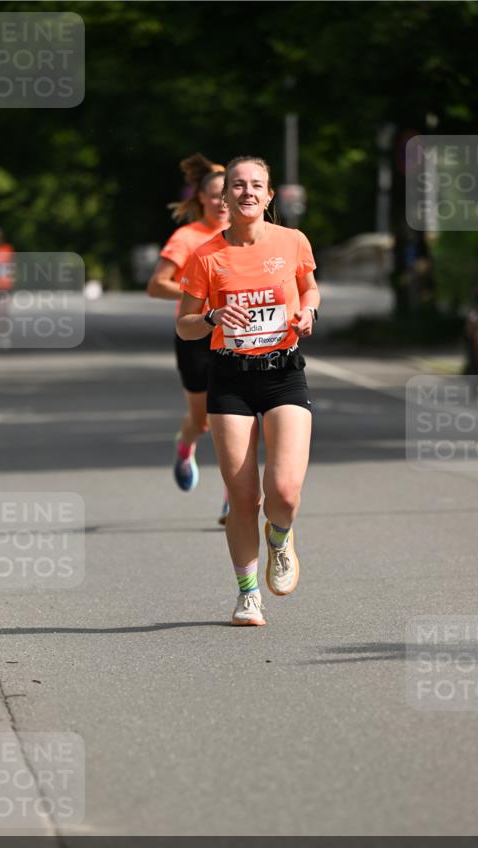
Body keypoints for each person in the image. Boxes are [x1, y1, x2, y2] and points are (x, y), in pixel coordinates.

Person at [176, 156, 320, 626]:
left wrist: (310, 312)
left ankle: (280, 538)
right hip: (230, 377)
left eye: (256, 185)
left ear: (270, 195)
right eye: (237, 186)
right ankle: (247, 593)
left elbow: (310, 289)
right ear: (224, 197)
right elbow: (185, 324)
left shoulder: (293, 241)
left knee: (283, 491)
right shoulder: (205, 256)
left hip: (283, 372)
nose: (246, 193)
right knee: (242, 498)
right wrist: (214, 317)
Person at [147, 154, 230, 523]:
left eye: (227, 193)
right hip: (196, 333)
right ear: (201, 199)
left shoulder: (250, 233)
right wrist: (196, 295)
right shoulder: (188, 237)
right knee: (204, 421)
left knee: (237, 417)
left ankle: (235, 497)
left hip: (239, 336)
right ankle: (186, 445)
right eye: (214, 195)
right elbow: (156, 285)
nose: (222, 201)